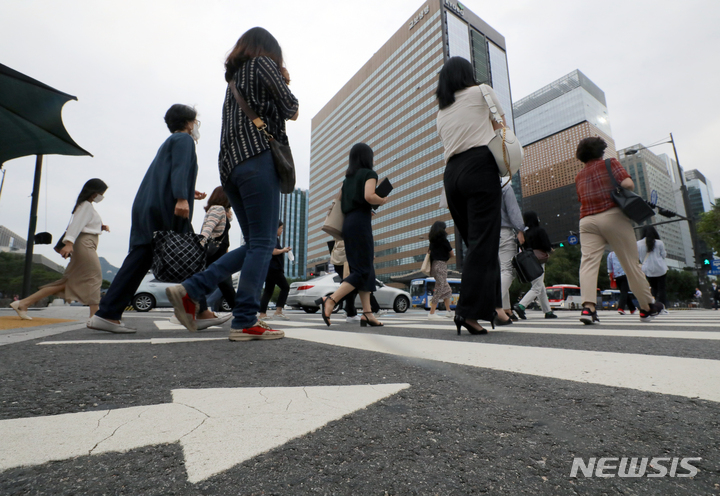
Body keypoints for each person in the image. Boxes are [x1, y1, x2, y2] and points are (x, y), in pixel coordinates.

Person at [166, 27, 299, 341]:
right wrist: (284, 79)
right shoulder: (263, 64)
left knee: (254, 243)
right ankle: (245, 320)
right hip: (258, 158)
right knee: (264, 242)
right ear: (269, 50)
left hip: (230, 167)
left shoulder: (234, 80)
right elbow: (291, 109)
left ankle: (192, 289)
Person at [86, 105, 214, 333]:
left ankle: (108, 313)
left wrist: (186, 191)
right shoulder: (184, 140)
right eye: (195, 121)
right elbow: (179, 168)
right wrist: (181, 197)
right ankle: (197, 312)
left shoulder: (169, 142)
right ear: (188, 122)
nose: (196, 126)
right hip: (166, 210)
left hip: (150, 206)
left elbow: (168, 173)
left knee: (143, 258)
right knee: (188, 255)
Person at [435, 56, 513, 335]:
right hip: (479, 166)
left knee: (478, 244)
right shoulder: (482, 91)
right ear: (467, 74)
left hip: (452, 175)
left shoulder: (442, 111)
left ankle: (493, 308)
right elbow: (501, 128)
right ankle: (467, 312)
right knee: (483, 244)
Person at [574, 137, 663, 324]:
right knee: (630, 263)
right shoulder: (610, 163)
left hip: (586, 221)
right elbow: (628, 184)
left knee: (588, 264)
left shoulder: (579, 176)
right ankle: (646, 306)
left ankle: (588, 308)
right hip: (612, 215)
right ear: (601, 151)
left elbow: (580, 198)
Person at [12, 179, 108, 320]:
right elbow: (75, 225)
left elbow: (83, 224)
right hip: (85, 244)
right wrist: (68, 243)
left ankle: (23, 303)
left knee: (67, 282)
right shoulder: (86, 206)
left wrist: (100, 227)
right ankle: (95, 316)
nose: (101, 196)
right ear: (94, 192)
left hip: (86, 243)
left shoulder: (86, 206)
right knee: (94, 277)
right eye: (101, 193)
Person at [317, 143, 388, 327]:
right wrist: (381, 199)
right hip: (360, 223)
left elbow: (339, 200)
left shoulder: (347, 179)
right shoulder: (369, 174)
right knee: (361, 270)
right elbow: (369, 196)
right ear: (367, 157)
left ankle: (367, 313)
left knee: (365, 269)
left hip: (347, 224)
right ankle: (331, 300)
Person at [513, 211, 557, 320]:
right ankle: (521, 305)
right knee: (537, 287)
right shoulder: (540, 230)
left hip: (529, 261)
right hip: (539, 259)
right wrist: (551, 250)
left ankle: (548, 311)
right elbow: (546, 245)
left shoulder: (525, 233)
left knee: (540, 286)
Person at [499, 182, 525, 320]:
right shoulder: (504, 187)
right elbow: (513, 210)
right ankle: (493, 303)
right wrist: (520, 229)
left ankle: (506, 309)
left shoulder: (477, 187)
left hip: (485, 234)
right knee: (508, 271)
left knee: (499, 272)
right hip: (503, 232)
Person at [258, 220, 291, 321]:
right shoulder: (273, 238)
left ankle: (262, 314)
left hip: (269, 268)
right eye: (281, 228)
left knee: (268, 290)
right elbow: (273, 251)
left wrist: (283, 250)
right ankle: (278, 311)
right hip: (274, 268)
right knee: (285, 287)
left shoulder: (271, 238)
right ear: (275, 228)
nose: (282, 230)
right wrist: (283, 250)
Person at [427, 221, 455, 320]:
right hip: (441, 266)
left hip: (434, 266)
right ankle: (432, 313)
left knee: (447, 289)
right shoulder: (444, 241)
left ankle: (448, 311)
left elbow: (429, 253)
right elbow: (452, 254)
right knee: (439, 288)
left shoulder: (432, 242)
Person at [637, 226, 669, 312]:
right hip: (660, 268)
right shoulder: (659, 243)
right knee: (662, 288)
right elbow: (663, 255)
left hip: (647, 269)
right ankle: (662, 307)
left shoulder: (638, 244)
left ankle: (653, 306)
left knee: (653, 288)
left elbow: (639, 257)